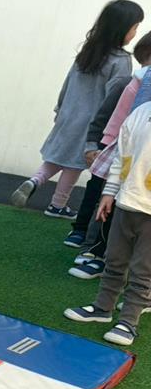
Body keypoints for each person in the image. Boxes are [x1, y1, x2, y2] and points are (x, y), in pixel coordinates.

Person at [10, 0, 143, 218]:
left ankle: (34, 180)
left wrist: (60, 108)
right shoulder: (121, 61)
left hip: (68, 113)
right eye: (135, 27)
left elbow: (68, 82)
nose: (136, 32)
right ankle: (57, 205)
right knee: (74, 164)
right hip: (91, 122)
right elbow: (114, 98)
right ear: (122, 28)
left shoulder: (88, 51)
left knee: (56, 157)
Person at [64, 97, 151, 345]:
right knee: (114, 260)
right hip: (126, 202)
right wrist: (109, 193)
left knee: (143, 271)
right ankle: (103, 308)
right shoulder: (140, 112)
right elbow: (121, 156)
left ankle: (128, 322)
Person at [68, 35, 151, 280]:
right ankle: (99, 252)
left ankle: (127, 270)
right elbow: (120, 118)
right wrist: (106, 143)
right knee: (113, 204)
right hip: (130, 153)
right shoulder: (139, 80)